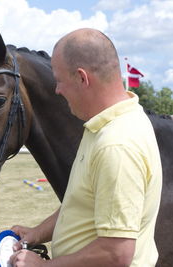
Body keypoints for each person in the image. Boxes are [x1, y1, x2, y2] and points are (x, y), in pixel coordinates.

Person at [10, 29, 162, 266]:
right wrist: (37, 233)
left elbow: (116, 253)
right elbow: (82, 202)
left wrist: (42, 266)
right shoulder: (107, 124)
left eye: (59, 80)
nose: (57, 90)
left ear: (82, 78)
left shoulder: (116, 145)